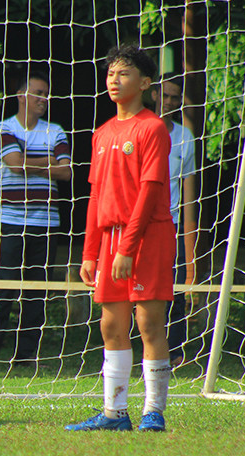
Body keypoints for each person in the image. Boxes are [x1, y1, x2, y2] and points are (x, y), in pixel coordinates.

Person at [67, 45, 174, 433]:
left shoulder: (152, 128)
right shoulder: (102, 133)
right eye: (111, 72)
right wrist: (90, 252)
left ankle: (153, 412)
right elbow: (96, 196)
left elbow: (149, 191)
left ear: (145, 83)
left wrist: (128, 248)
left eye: (124, 73)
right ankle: (114, 413)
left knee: (149, 324)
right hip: (110, 240)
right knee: (111, 327)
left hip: (148, 237)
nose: (114, 79)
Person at [0, 69, 72, 366]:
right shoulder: (2, 127)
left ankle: (26, 354)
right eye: (38, 93)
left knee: (37, 290)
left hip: (46, 222)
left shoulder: (55, 130)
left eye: (46, 94)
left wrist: (31, 162)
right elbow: (14, 165)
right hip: (11, 219)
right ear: (21, 95)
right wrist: (47, 162)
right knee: (4, 286)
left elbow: (66, 172)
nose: (44, 98)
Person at [153, 77, 198, 367]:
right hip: (138, 223)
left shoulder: (184, 138)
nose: (170, 102)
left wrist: (191, 251)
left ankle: (176, 349)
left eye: (175, 97)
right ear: (153, 94)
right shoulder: (139, 128)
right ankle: (144, 344)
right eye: (166, 95)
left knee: (175, 290)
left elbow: (190, 198)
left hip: (170, 224)